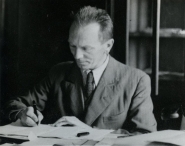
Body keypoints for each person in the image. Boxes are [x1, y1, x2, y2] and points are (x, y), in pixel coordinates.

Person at [5, 6, 157, 135]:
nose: (77, 56)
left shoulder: (136, 81)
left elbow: (144, 137)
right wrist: (24, 114)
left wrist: (93, 132)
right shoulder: (58, 72)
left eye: (86, 48)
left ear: (108, 46)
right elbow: (16, 104)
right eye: (73, 46)